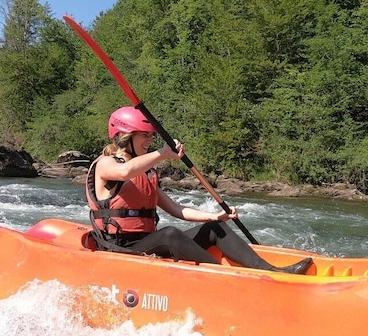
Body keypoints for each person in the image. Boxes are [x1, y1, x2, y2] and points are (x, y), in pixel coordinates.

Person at [85, 106, 313, 274]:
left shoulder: (145, 173)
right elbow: (124, 173)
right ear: (125, 137)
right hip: (119, 248)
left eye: (151, 136)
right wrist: (163, 153)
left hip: (147, 242)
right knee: (170, 233)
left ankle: (269, 270)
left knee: (214, 228)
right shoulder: (106, 164)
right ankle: (227, 278)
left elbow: (176, 209)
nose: (149, 141)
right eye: (145, 135)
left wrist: (214, 216)